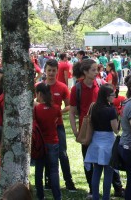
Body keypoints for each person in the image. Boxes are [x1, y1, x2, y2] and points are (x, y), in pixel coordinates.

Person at [41, 59, 76, 191]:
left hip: (58, 125)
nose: (51, 73)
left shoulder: (62, 87)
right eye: (49, 70)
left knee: (62, 153)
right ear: (45, 71)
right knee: (45, 153)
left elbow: (69, 106)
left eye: (53, 70)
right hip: (44, 126)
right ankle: (48, 181)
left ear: (57, 71)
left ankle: (69, 182)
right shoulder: (40, 86)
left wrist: (58, 112)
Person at [85, 84, 119, 200]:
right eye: (112, 94)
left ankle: (95, 197)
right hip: (108, 142)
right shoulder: (111, 110)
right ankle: (105, 197)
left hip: (95, 141)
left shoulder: (94, 107)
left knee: (97, 171)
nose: (114, 96)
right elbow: (116, 129)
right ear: (106, 96)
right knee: (108, 173)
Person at [33, 83, 61, 200]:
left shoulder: (37, 109)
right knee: (54, 171)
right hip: (53, 142)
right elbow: (56, 122)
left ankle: (40, 196)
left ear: (39, 94)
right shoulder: (56, 108)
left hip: (40, 143)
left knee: (39, 171)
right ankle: (57, 196)